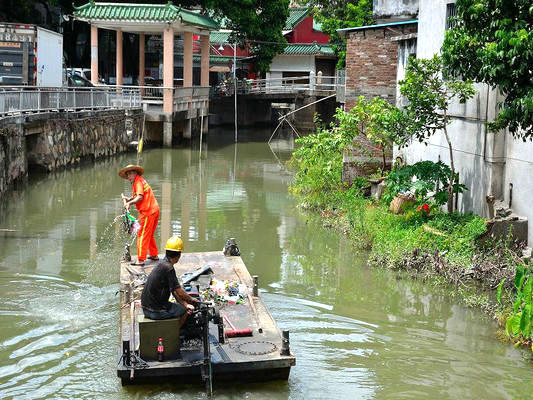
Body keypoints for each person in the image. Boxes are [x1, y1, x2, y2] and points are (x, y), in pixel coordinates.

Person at [141, 236, 199, 327]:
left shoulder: (161, 264)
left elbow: (174, 291)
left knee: (182, 306)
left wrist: (184, 303)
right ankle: (175, 334)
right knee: (184, 311)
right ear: (179, 255)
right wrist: (191, 300)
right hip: (156, 312)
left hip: (146, 309)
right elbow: (178, 290)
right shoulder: (169, 268)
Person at [119, 164, 160, 266]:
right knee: (148, 234)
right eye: (127, 175)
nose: (128, 177)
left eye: (129, 175)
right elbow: (138, 196)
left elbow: (140, 197)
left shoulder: (137, 182)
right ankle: (154, 254)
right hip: (154, 210)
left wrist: (129, 203)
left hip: (148, 212)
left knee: (142, 234)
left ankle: (140, 259)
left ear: (134, 173)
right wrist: (130, 199)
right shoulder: (140, 181)